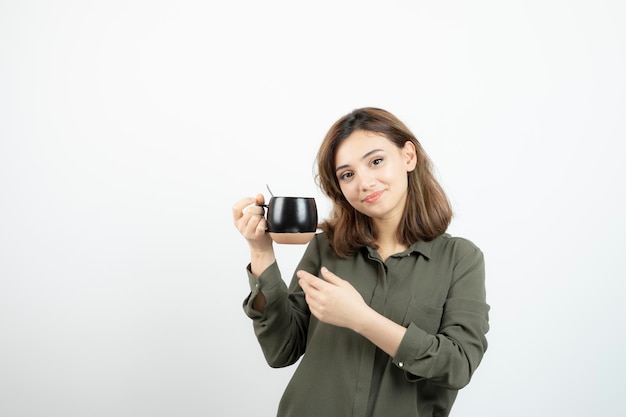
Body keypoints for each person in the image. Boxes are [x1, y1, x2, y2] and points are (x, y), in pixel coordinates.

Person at [232, 107, 489, 417]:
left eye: (376, 161)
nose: (364, 182)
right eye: (347, 174)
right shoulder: (326, 248)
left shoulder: (460, 259)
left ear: (408, 156)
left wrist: (361, 318)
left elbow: (457, 366)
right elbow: (281, 350)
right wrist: (261, 252)